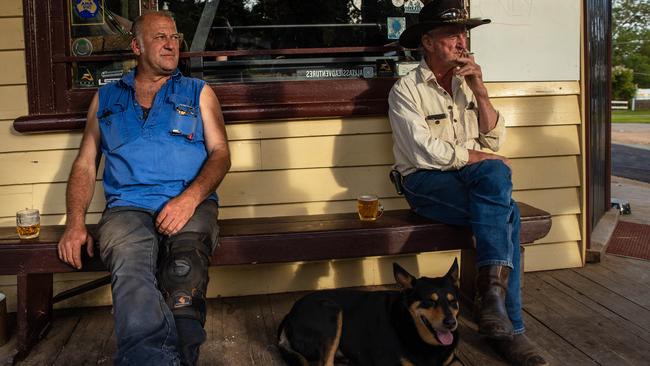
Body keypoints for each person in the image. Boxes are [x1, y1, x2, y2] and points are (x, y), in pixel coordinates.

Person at [57, 11, 231, 366]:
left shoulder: (198, 92)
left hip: (190, 203)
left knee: (183, 272)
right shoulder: (105, 99)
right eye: (160, 36)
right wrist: (75, 223)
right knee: (130, 270)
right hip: (127, 210)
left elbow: (221, 154)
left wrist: (190, 199)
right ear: (136, 46)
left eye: (174, 36)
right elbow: (85, 164)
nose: (172, 43)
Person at [388, 1, 547, 365]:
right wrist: (482, 158)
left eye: (464, 34)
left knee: (496, 180)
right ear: (427, 42)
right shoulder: (406, 90)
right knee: (505, 212)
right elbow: (423, 153)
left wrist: (481, 90)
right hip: (425, 183)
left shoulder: (467, 85)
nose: (462, 42)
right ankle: (509, 328)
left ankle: (493, 303)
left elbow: (493, 143)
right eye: (452, 35)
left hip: (472, 180)